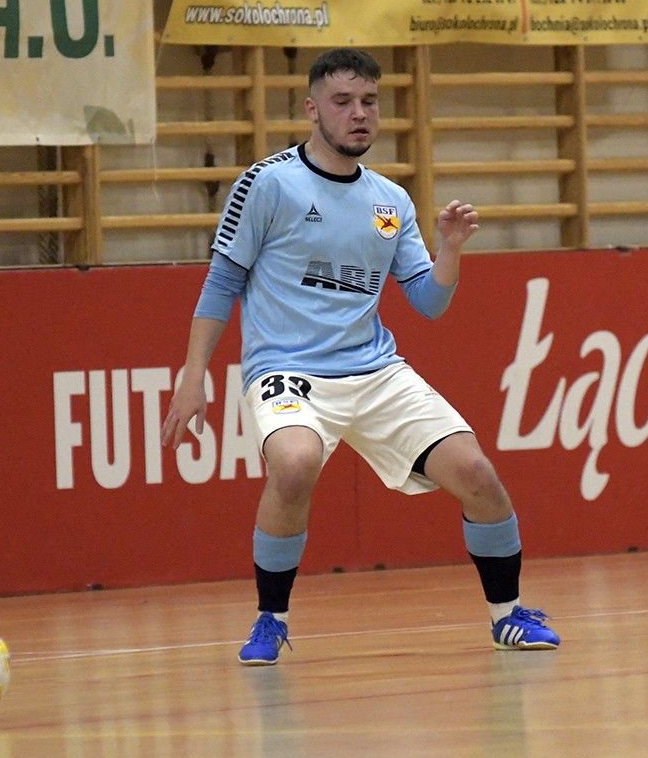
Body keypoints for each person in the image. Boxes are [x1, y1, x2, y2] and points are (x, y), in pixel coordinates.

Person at [160, 48, 559, 664]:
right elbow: (221, 281)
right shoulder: (268, 184)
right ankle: (270, 620)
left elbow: (428, 302)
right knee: (294, 465)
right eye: (342, 101)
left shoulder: (390, 200)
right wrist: (195, 376)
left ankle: (507, 616)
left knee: (478, 474)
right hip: (288, 371)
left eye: (369, 101)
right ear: (312, 108)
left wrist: (451, 252)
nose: (359, 113)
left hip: (375, 371)